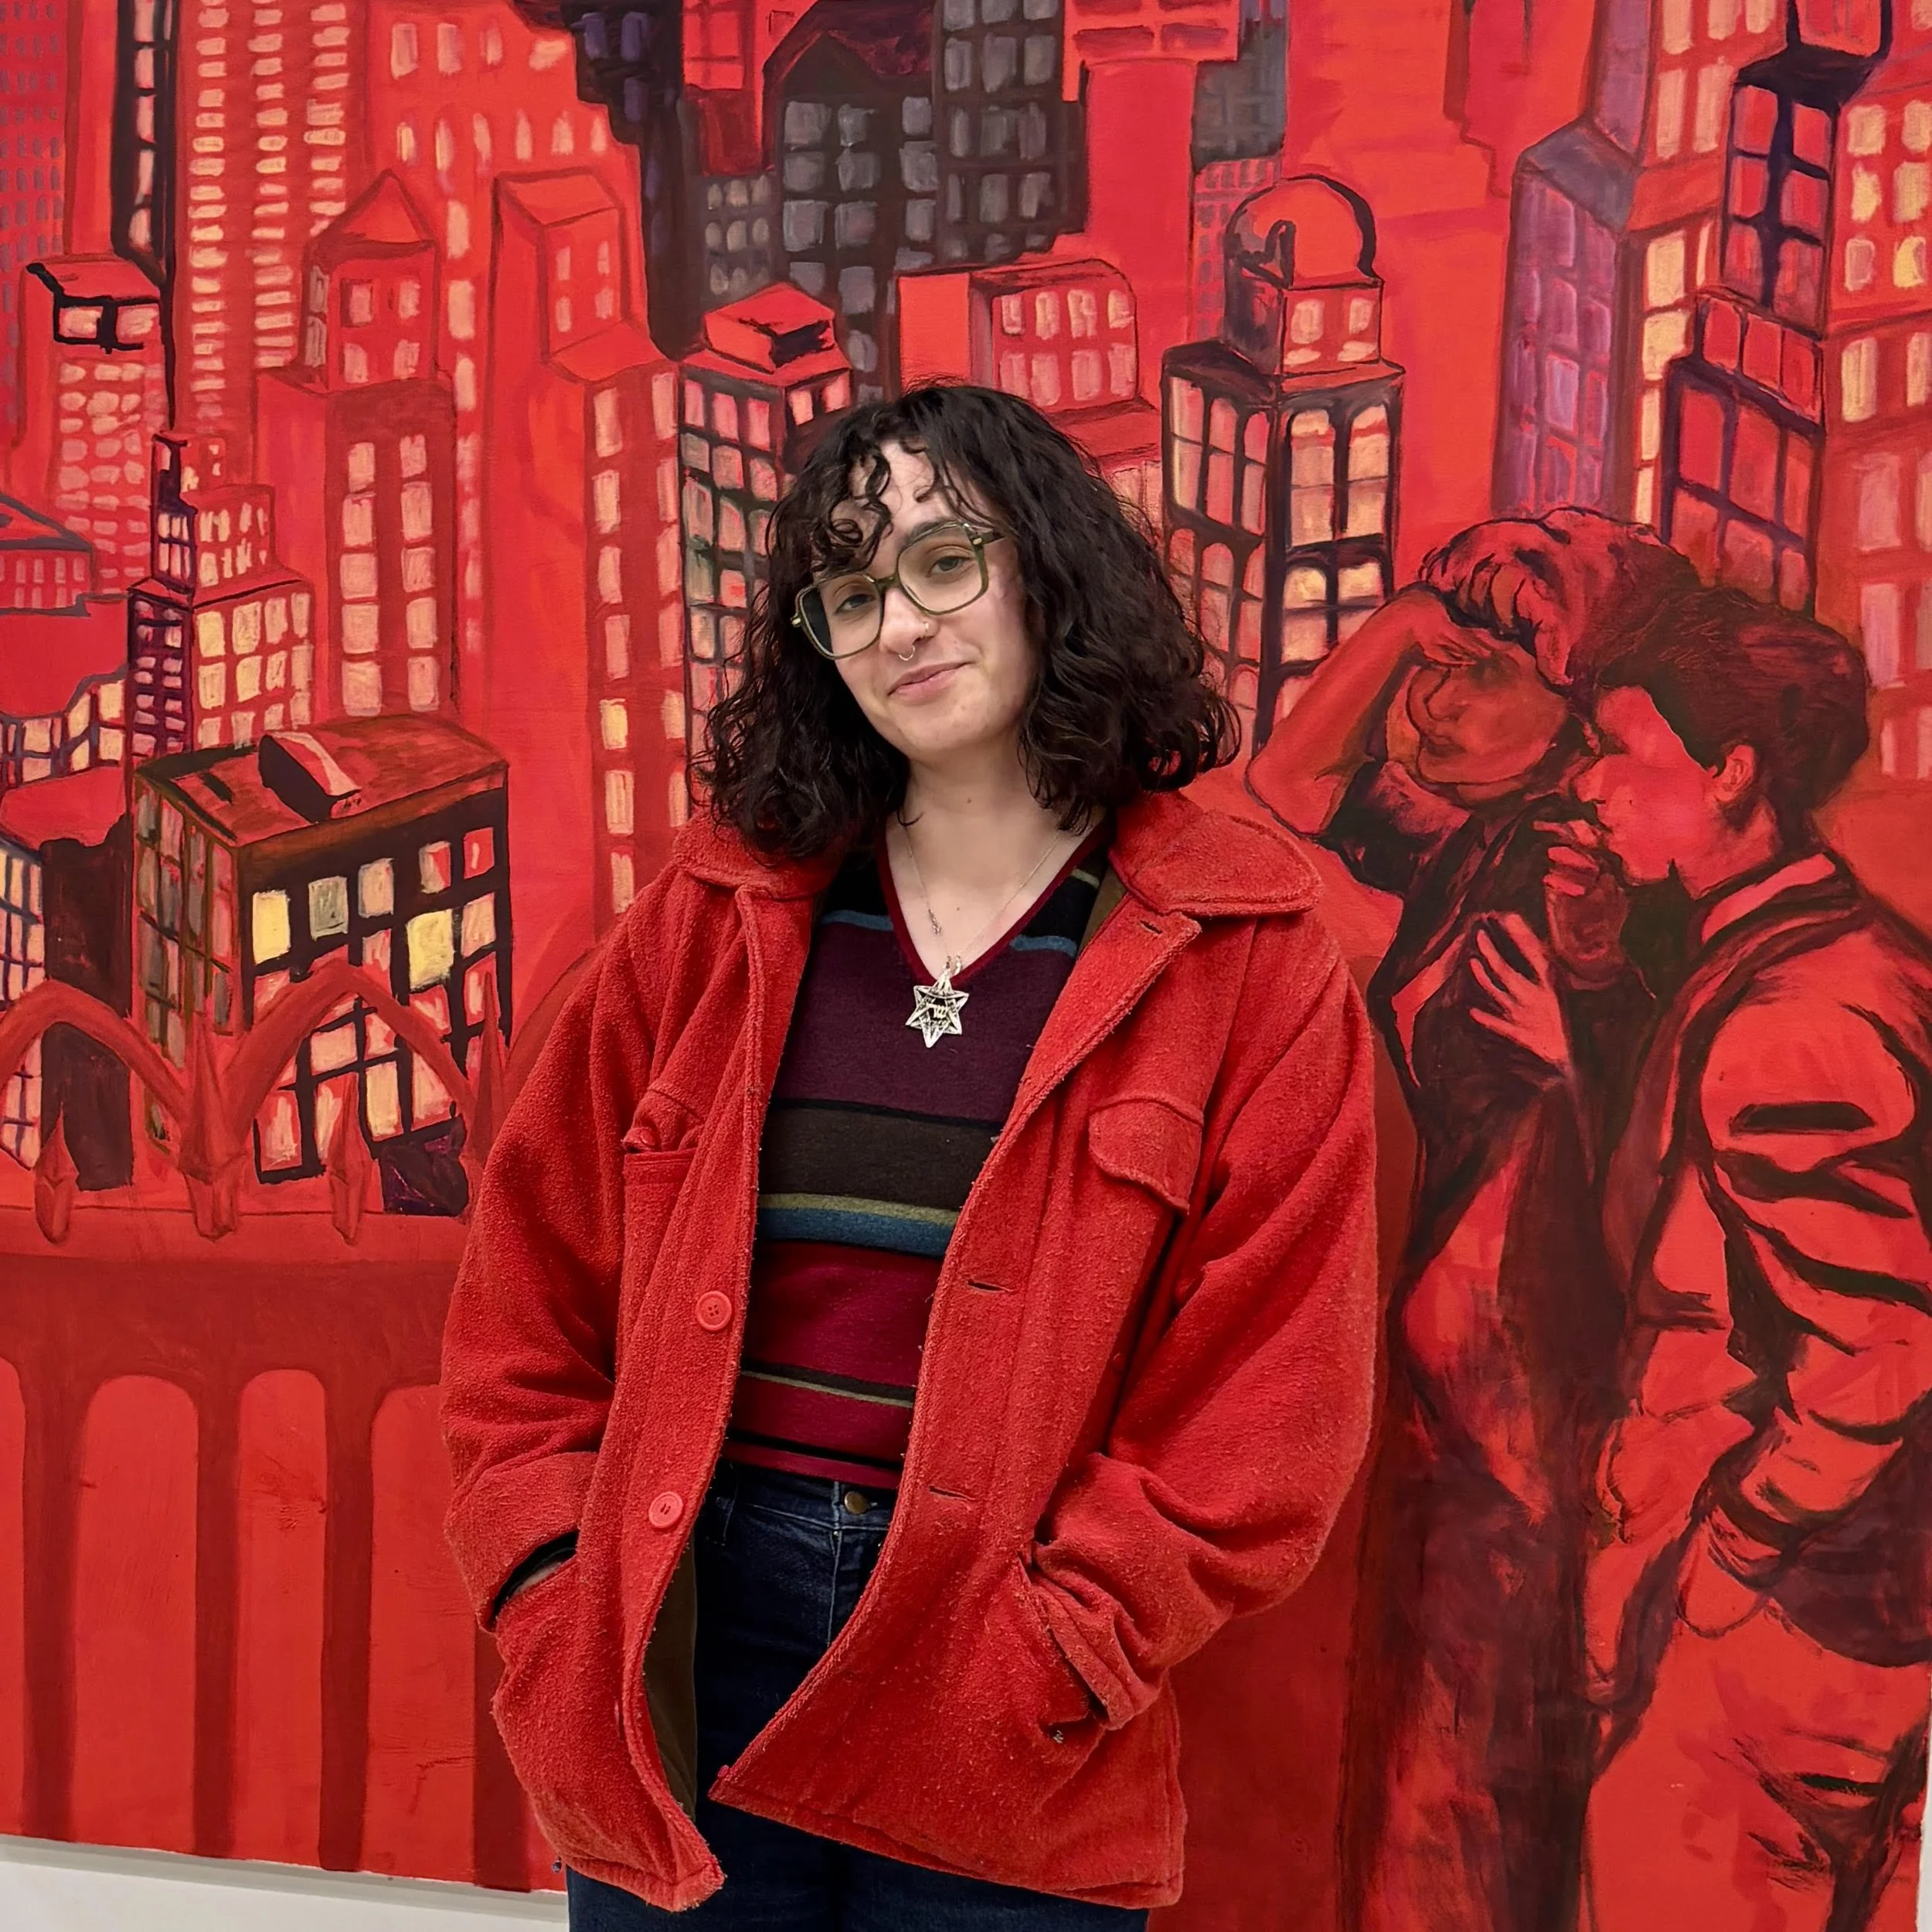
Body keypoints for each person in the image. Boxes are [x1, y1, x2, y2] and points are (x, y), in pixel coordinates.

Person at [439, 383, 1380, 1929]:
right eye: (853, 588)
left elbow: (1270, 1386)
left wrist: (1067, 1642)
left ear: (1048, 573)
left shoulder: (1239, 950)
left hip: (999, 1694)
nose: (899, 624)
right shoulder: (714, 912)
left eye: (946, 561)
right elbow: (524, 1292)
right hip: (683, 1656)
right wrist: (549, 1586)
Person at [1249, 509, 1693, 1932]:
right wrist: (1418, 619)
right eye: (1433, 664)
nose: (1432, 698)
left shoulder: (1575, 889)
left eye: (1484, 673)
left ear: (1590, 728)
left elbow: (1274, 855)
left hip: (1513, 1469)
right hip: (1445, 1442)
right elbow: (1289, 781)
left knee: (1450, 1833)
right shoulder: (1489, 834)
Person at [1478, 587, 1932, 1931]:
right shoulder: (1848, 956)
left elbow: (1882, 1345)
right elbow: (1722, 1195)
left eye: (1623, 750)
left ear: (1733, 771)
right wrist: (1605, 977)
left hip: (1779, 1640)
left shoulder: (1790, 1020)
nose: (1592, 785)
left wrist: (1723, 1563)